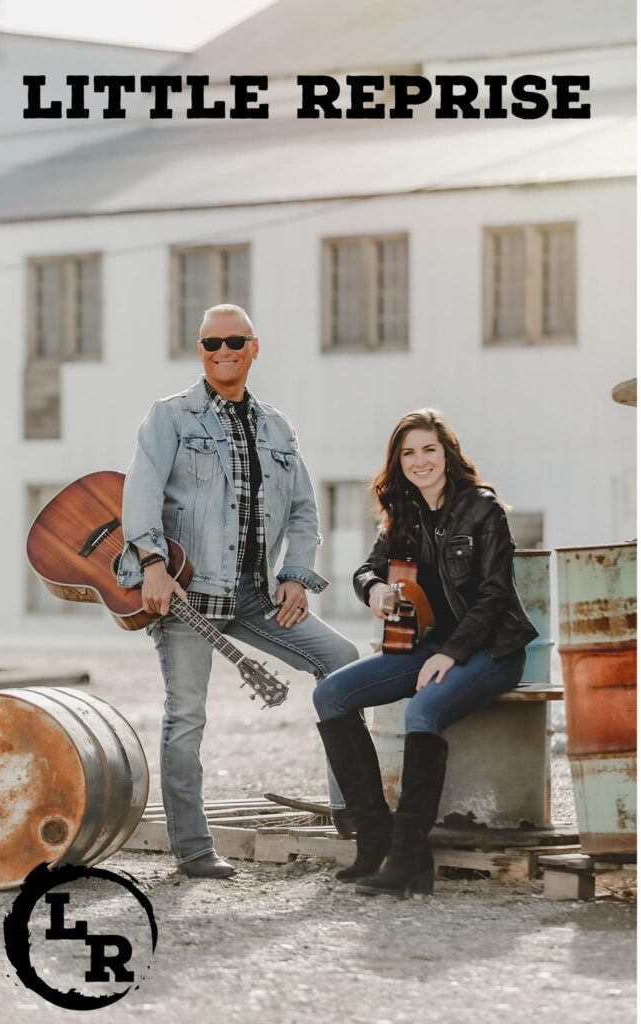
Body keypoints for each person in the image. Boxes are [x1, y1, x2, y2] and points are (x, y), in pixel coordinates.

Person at [118, 304, 358, 879]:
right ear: (200, 351)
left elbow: (303, 511)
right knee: (187, 718)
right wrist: (151, 561)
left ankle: (353, 811)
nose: (221, 351)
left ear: (254, 347)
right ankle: (195, 849)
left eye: (233, 341)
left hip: (255, 597)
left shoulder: (278, 428)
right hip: (187, 594)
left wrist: (297, 574)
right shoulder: (170, 417)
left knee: (344, 663)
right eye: (209, 343)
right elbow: (140, 494)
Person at [312, 409, 538, 897]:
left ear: (447, 453)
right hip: (426, 646)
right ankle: (375, 836)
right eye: (409, 452)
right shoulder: (405, 512)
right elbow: (366, 570)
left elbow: (496, 594)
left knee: (423, 711)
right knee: (331, 694)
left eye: (429, 449)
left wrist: (452, 654)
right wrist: (372, 589)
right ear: (399, 462)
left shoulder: (482, 509)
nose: (420, 461)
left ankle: (412, 858)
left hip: (492, 649)